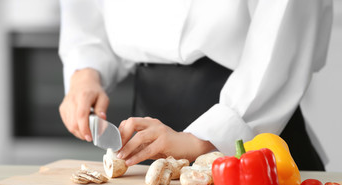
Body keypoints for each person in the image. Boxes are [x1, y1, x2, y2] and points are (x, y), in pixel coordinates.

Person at [58, 0, 333, 170]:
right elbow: (85, 12)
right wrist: (85, 72)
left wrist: (200, 140)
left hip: (252, 137)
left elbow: (283, 36)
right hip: (147, 146)